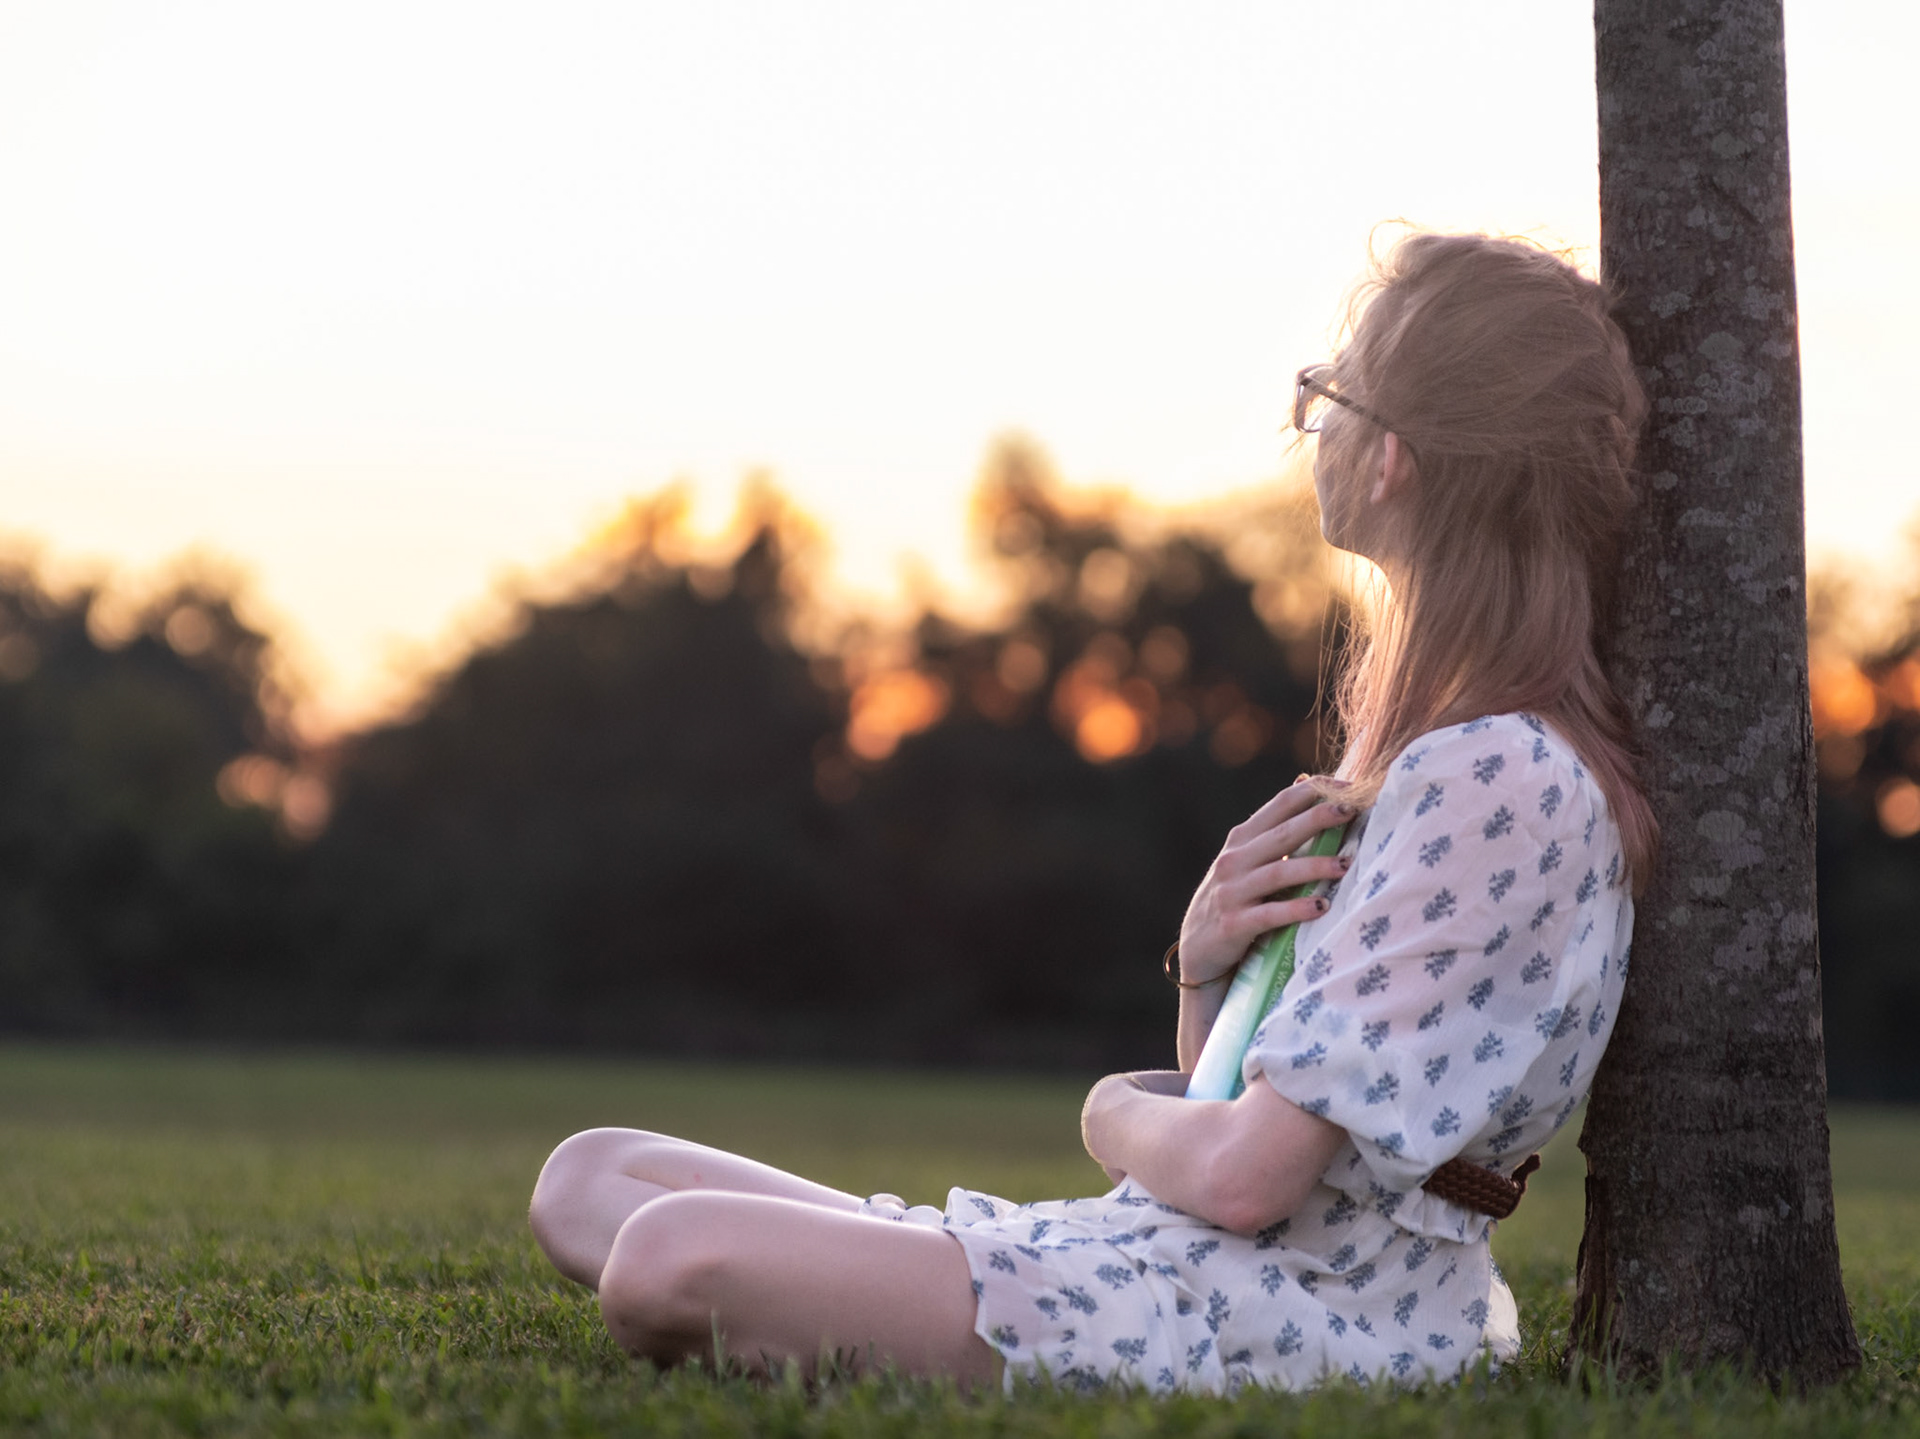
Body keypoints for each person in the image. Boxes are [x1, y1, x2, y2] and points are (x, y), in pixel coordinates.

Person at [526, 230, 1656, 1392]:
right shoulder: (1450, 757)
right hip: (1194, 1254)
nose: (1310, 421)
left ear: (1393, 462)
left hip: (1292, 1304)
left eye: (1330, 395)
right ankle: (902, 1277)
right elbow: (1261, 1119)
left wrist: (1110, 1107)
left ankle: (894, 1288)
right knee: (592, 1177)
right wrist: (1207, 975)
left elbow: (1242, 1176)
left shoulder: (1497, 777)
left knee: (666, 1256)